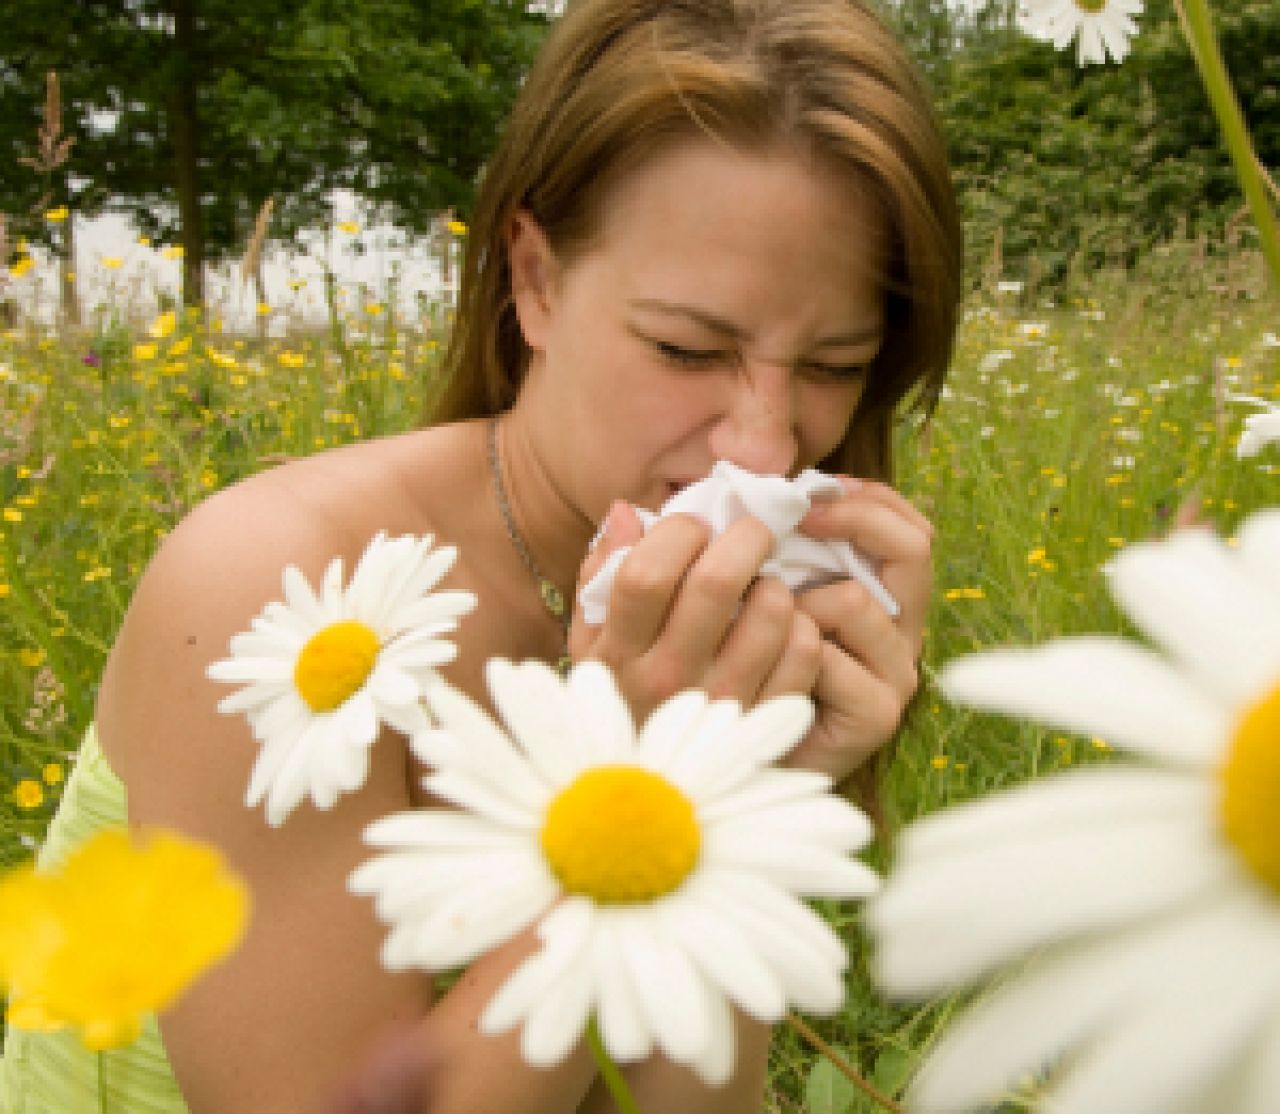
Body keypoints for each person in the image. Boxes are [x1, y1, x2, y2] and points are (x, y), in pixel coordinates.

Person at [0, 0, 961, 1110]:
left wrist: (734, 810)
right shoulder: (276, 593)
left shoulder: (752, 606)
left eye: (834, 364)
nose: (763, 440)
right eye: (687, 348)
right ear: (534, 279)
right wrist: (645, 798)